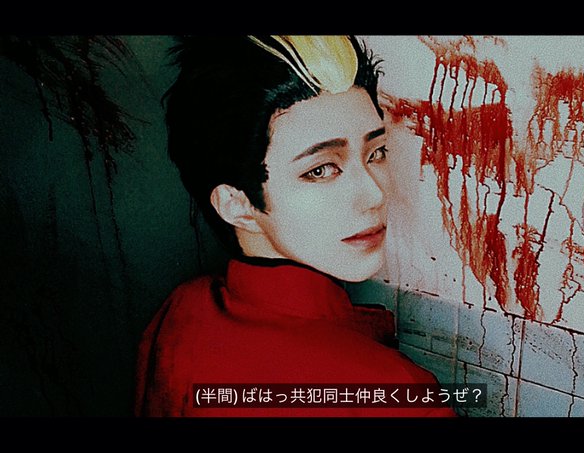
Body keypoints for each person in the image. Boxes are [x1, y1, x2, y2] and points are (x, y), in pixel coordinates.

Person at [134, 35, 455, 417]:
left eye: (377, 152)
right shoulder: (393, 394)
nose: (375, 193)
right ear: (237, 204)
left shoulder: (183, 308)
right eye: (320, 170)